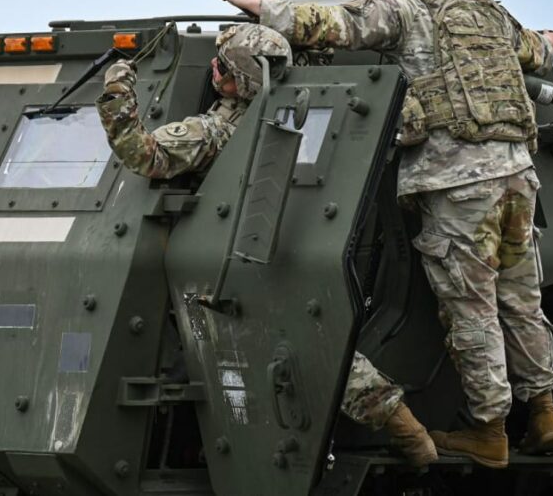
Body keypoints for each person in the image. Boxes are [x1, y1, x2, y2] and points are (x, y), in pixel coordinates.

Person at [212, 0, 553, 469]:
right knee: (521, 300)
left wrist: (251, 1)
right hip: (519, 177)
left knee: (470, 309)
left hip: (458, 187)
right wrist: (550, 38)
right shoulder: (493, 13)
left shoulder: (404, 12)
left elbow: (329, 25)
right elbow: (538, 51)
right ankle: (545, 414)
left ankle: (490, 432)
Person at [96, 23, 438, 467]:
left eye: (224, 68)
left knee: (304, 350)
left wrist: (117, 93)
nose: (215, 72)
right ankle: (406, 430)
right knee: (319, 344)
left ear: (241, 81)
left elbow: (143, 154)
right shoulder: (312, 102)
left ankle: (405, 433)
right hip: (305, 243)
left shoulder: (220, 128)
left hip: (247, 259)